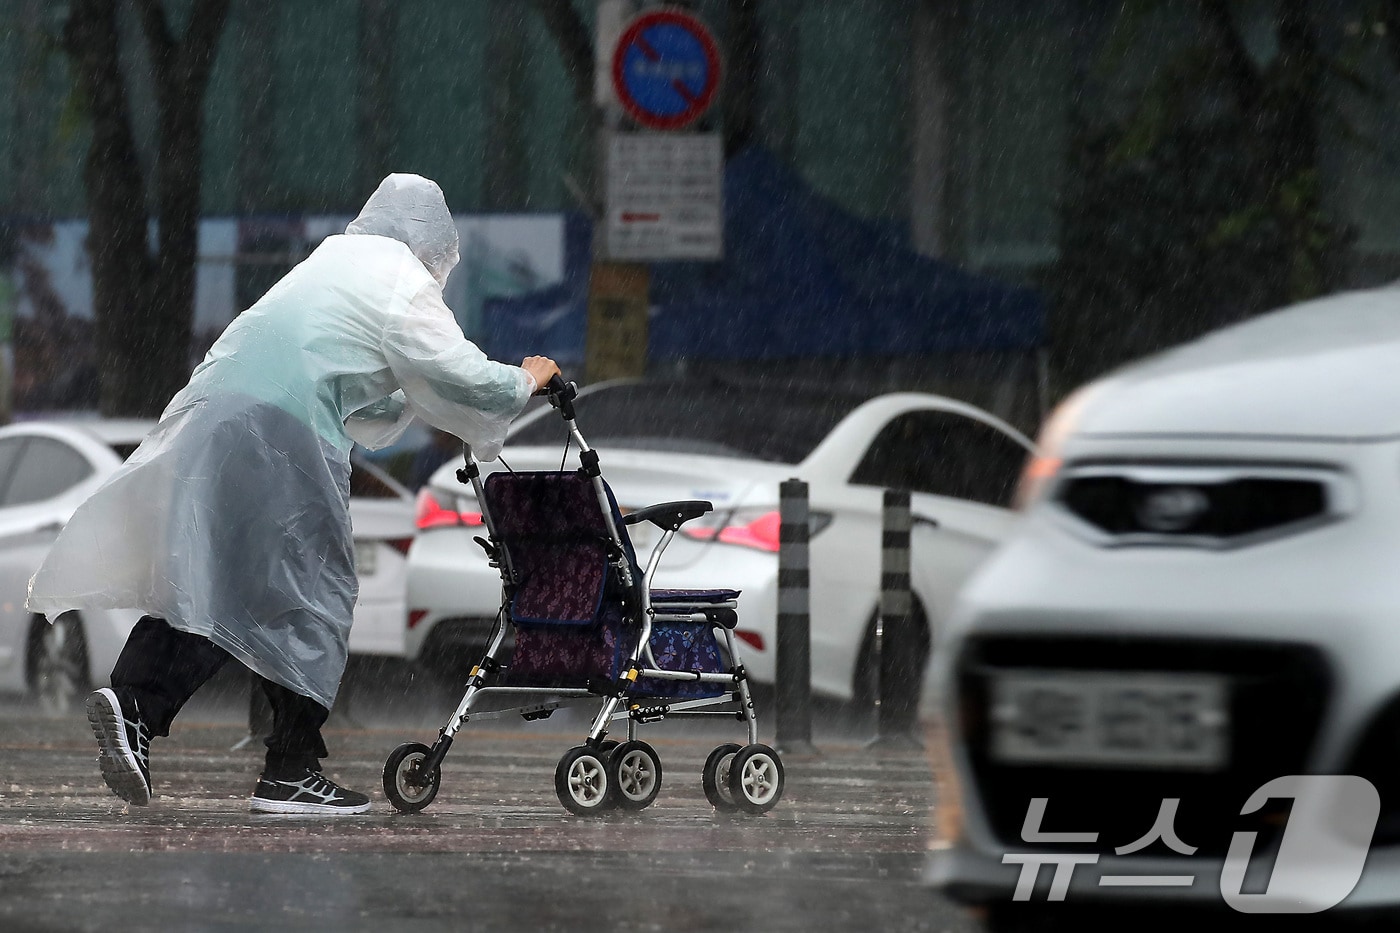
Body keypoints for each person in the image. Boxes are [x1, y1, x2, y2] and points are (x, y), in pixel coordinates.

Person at [26, 174, 559, 815]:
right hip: (282, 433)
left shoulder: (331, 260)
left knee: (221, 578)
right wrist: (524, 380)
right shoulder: (401, 279)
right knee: (316, 595)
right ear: (431, 241)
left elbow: (361, 377)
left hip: (214, 412)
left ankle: (135, 703)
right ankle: (291, 769)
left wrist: (420, 398)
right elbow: (457, 371)